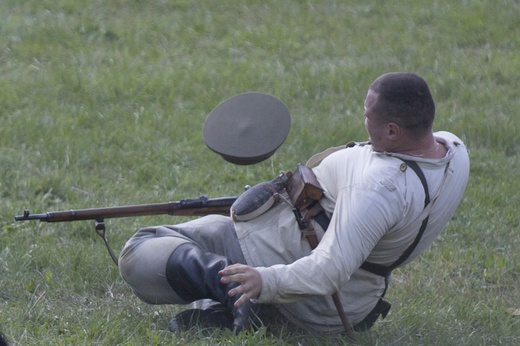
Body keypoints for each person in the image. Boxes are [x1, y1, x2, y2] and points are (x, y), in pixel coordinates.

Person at [118, 72, 470, 335]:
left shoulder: (380, 189)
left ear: (393, 132)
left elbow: (329, 269)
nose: (363, 122)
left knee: (139, 251)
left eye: (368, 117)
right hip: (347, 296)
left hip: (291, 273)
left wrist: (262, 281)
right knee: (196, 237)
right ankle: (232, 308)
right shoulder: (452, 149)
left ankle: (235, 292)